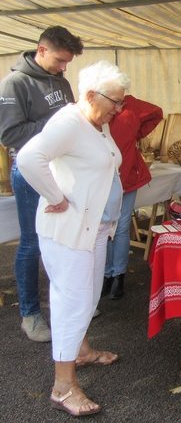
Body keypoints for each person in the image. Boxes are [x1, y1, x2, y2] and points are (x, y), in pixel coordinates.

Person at [17, 60, 130, 417]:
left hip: (94, 229)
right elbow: (29, 157)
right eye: (115, 101)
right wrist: (55, 197)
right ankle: (63, 386)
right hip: (70, 231)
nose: (120, 108)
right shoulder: (70, 121)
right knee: (72, 302)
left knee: (88, 296)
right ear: (91, 95)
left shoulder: (97, 123)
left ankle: (81, 351)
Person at [0, 26, 84, 342]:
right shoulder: (14, 83)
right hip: (30, 172)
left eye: (67, 63)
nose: (64, 68)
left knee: (62, 239)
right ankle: (30, 314)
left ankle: (65, 303)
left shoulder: (60, 81)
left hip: (62, 170)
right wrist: (57, 126)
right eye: (61, 60)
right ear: (42, 49)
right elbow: (9, 135)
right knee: (32, 242)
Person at [102, 95, 163, 300]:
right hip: (100, 177)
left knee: (120, 227)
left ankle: (117, 275)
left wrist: (136, 135)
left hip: (126, 174)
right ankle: (106, 274)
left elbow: (156, 113)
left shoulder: (131, 104)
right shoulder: (92, 106)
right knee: (103, 227)